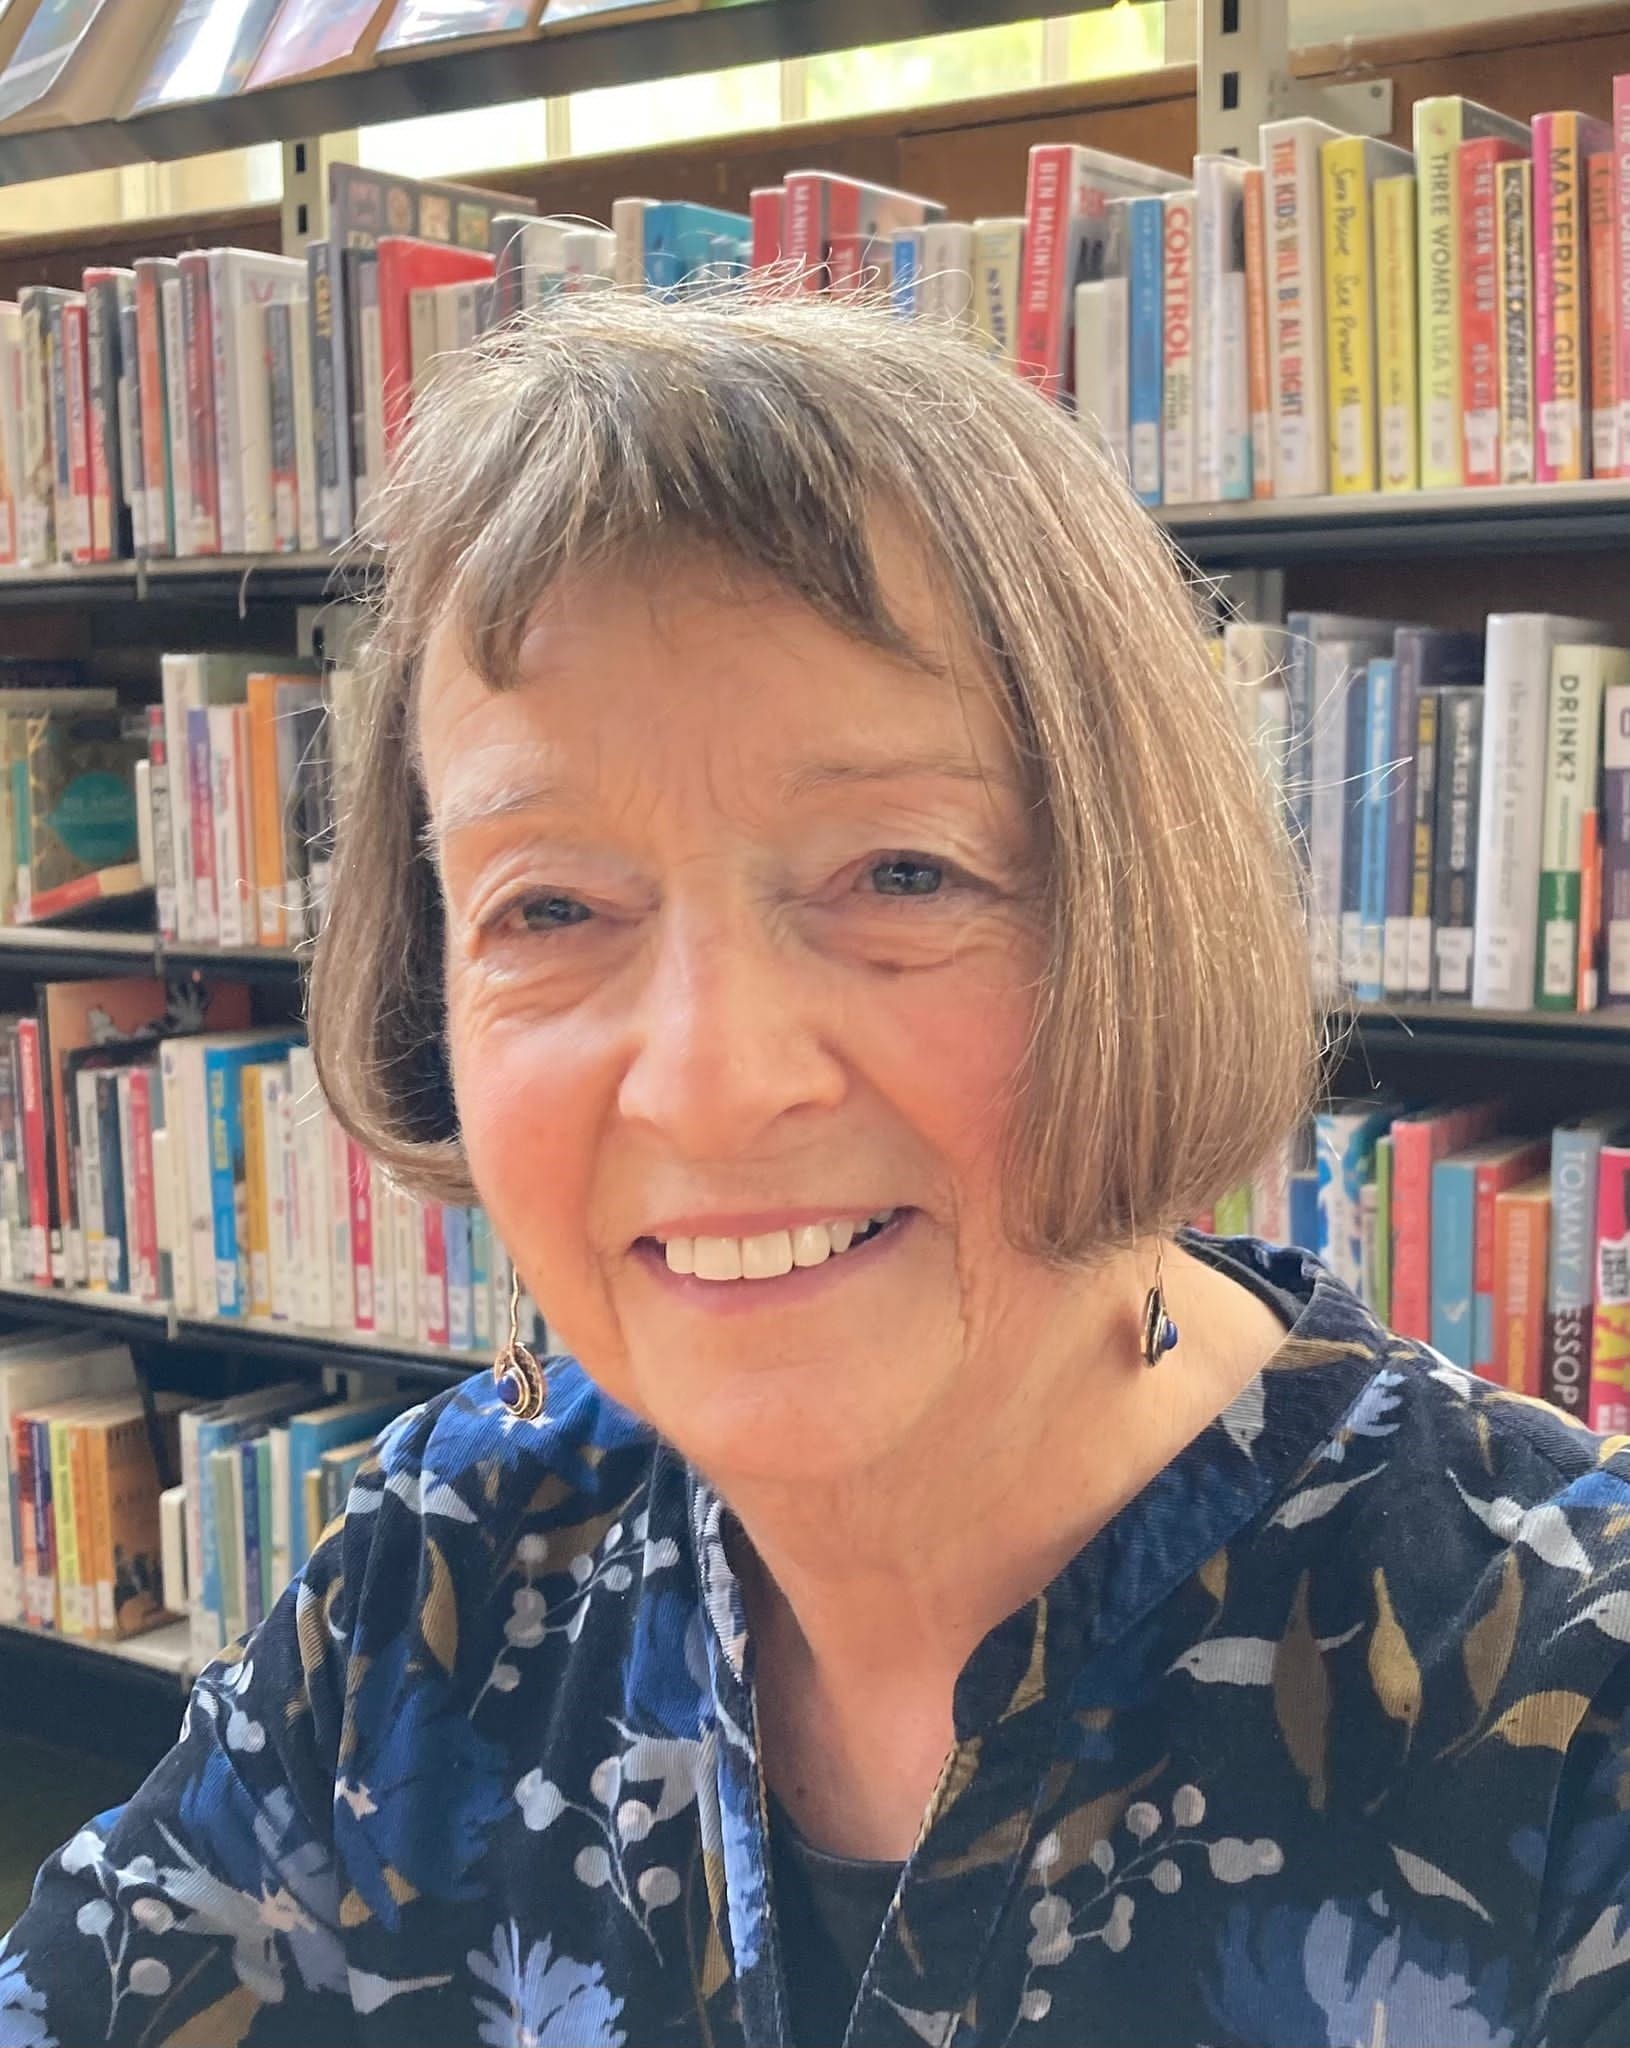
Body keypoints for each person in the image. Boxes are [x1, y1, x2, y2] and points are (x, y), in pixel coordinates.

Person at [4, 293, 1630, 2048]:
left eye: (900, 875)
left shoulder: (1567, 1706)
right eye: (547, 907)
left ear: (1137, 914)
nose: (710, 1084)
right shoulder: (448, 1567)